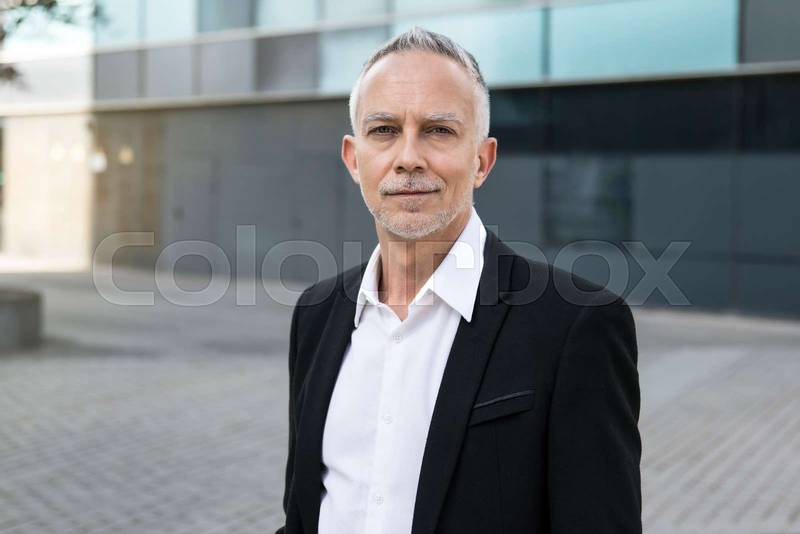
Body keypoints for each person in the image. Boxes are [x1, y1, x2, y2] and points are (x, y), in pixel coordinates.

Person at [276, 27, 641, 534]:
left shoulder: (575, 326)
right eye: (383, 130)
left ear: (482, 160)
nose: (408, 157)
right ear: (353, 159)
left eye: (438, 130)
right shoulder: (317, 314)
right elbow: (304, 518)